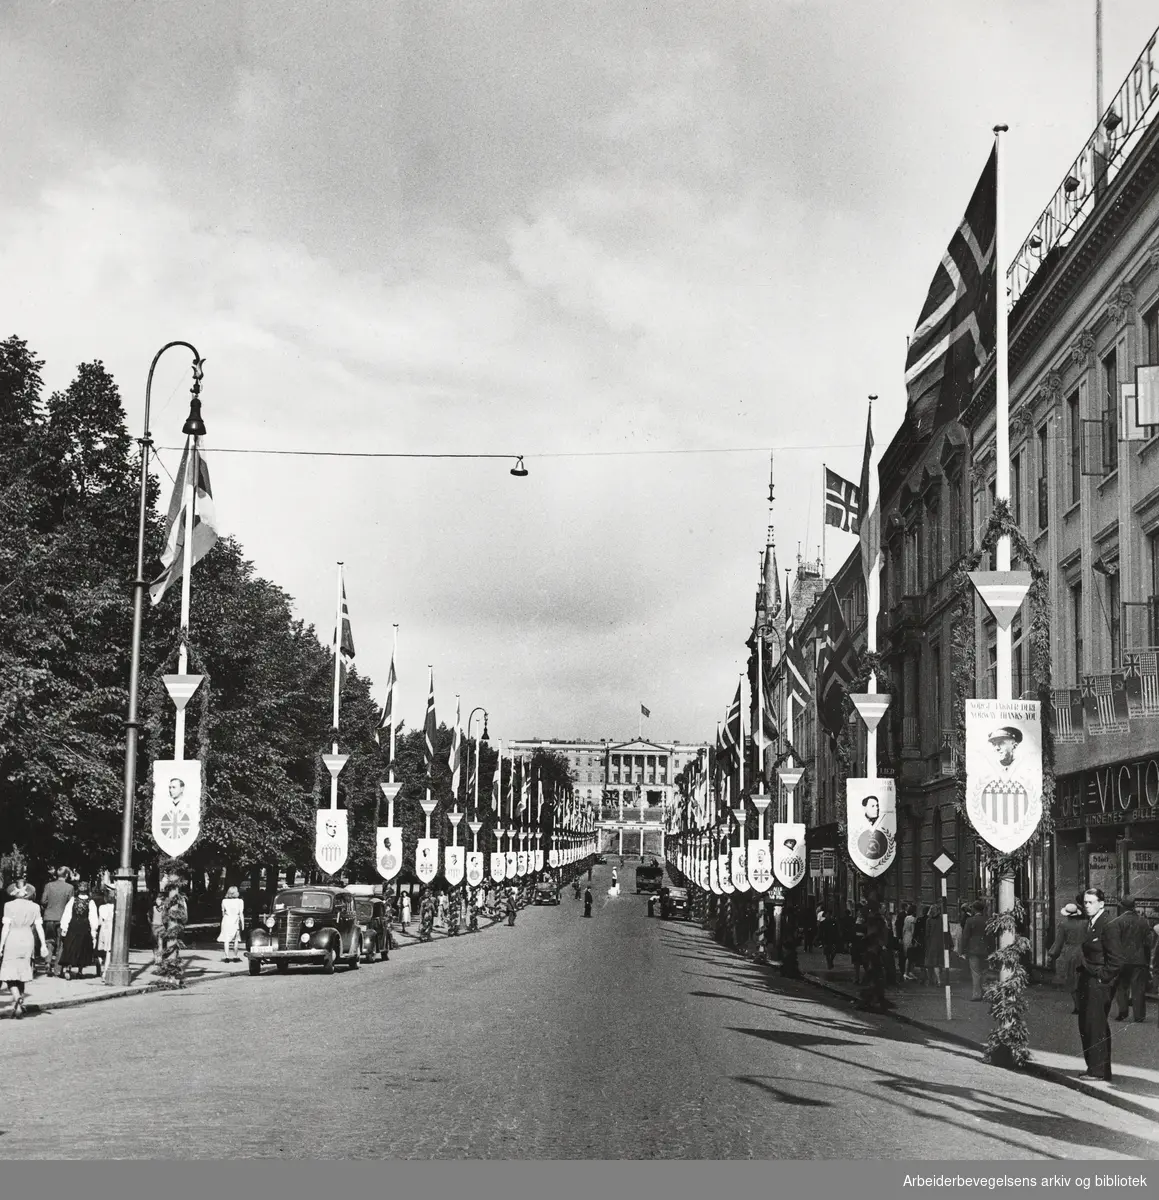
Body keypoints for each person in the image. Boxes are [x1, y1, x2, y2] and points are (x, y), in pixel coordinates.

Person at [1076, 887, 1123, 1083]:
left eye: (1091, 902)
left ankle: (1098, 1071)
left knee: (1095, 1024)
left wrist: (1104, 978)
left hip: (1099, 982)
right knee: (1089, 1023)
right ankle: (1096, 1067)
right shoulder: (1093, 922)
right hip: (1089, 979)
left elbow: (1117, 959)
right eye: (1085, 902)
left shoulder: (1108, 924)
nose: (1087, 906)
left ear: (1101, 904)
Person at [1, 882, 46, 1018]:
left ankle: (16, 998)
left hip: (12, 938)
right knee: (22, 972)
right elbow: (39, 928)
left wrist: (1, 945)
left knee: (9, 974)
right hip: (27, 938)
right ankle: (19, 1006)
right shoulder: (35, 907)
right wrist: (43, 944)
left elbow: (6, 927)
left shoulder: (8, 906)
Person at [1110, 895, 1153, 1023]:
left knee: (1121, 986)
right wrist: (1147, 959)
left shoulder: (1117, 922)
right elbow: (1148, 943)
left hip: (1121, 960)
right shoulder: (1143, 922)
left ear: (1122, 907)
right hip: (1139, 960)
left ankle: (1122, 1012)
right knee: (1138, 988)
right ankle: (1139, 1015)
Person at [1048, 901, 1088, 1015]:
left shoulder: (1064, 925)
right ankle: (1085, 1004)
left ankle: (1077, 1006)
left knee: (1072, 979)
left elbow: (1059, 943)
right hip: (1084, 952)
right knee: (1084, 979)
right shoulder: (1085, 923)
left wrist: (1053, 955)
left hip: (1071, 953)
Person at [58, 881, 99, 980]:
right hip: (84, 926)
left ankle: (68, 968)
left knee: (70, 946)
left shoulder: (73, 900)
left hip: (73, 925)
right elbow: (93, 917)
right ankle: (80, 970)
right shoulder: (91, 902)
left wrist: (64, 927)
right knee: (82, 947)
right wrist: (94, 930)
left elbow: (67, 914)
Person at [40, 867, 74, 977]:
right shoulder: (70, 887)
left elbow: (43, 901)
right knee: (61, 944)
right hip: (62, 919)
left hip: (49, 917)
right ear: (67, 875)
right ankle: (57, 969)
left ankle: (47, 962)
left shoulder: (48, 885)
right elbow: (71, 904)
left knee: (49, 941)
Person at [960, 900, 989, 1001]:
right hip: (986, 949)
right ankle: (986, 994)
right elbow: (991, 936)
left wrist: (962, 950)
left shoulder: (970, 921)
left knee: (976, 973)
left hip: (973, 949)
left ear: (974, 909)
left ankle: (977, 994)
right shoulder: (988, 920)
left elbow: (965, 936)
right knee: (985, 971)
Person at [217, 886, 245, 963]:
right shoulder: (240, 901)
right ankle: (235, 956)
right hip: (235, 921)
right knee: (236, 940)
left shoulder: (224, 901)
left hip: (226, 921)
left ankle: (227, 957)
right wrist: (242, 923)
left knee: (226, 940)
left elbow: (223, 913)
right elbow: (241, 913)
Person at [95, 888, 116, 978]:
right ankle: (105, 972)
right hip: (111, 929)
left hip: (103, 929)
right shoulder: (115, 908)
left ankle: (99, 961)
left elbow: (99, 921)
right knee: (109, 951)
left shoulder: (101, 907)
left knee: (101, 949)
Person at [924, 902, 944, 987]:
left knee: (930, 963)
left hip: (931, 943)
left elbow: (927, 933)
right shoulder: (942, 920)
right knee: (938, 963)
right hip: (940, 943)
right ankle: (937, 980)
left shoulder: (929, 920)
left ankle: (933, 980)